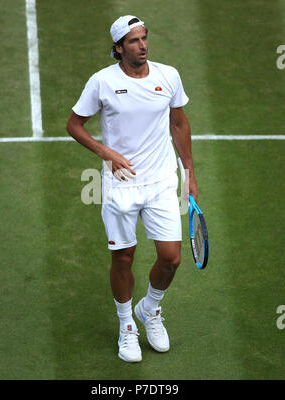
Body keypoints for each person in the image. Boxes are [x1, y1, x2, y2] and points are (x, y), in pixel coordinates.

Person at [66, 15, 198, 362]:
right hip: (119, 185)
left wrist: (189, 174)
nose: (143, 46)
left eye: (144, 38)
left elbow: (179, 123)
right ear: (118, 48)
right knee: (123, 258)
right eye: (134, 41)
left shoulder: (168, 75)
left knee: (171, 258)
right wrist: (106, 152)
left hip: (160, 181)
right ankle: (127, 326)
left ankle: (149, 309)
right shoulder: (102, 82)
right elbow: (74, 125)